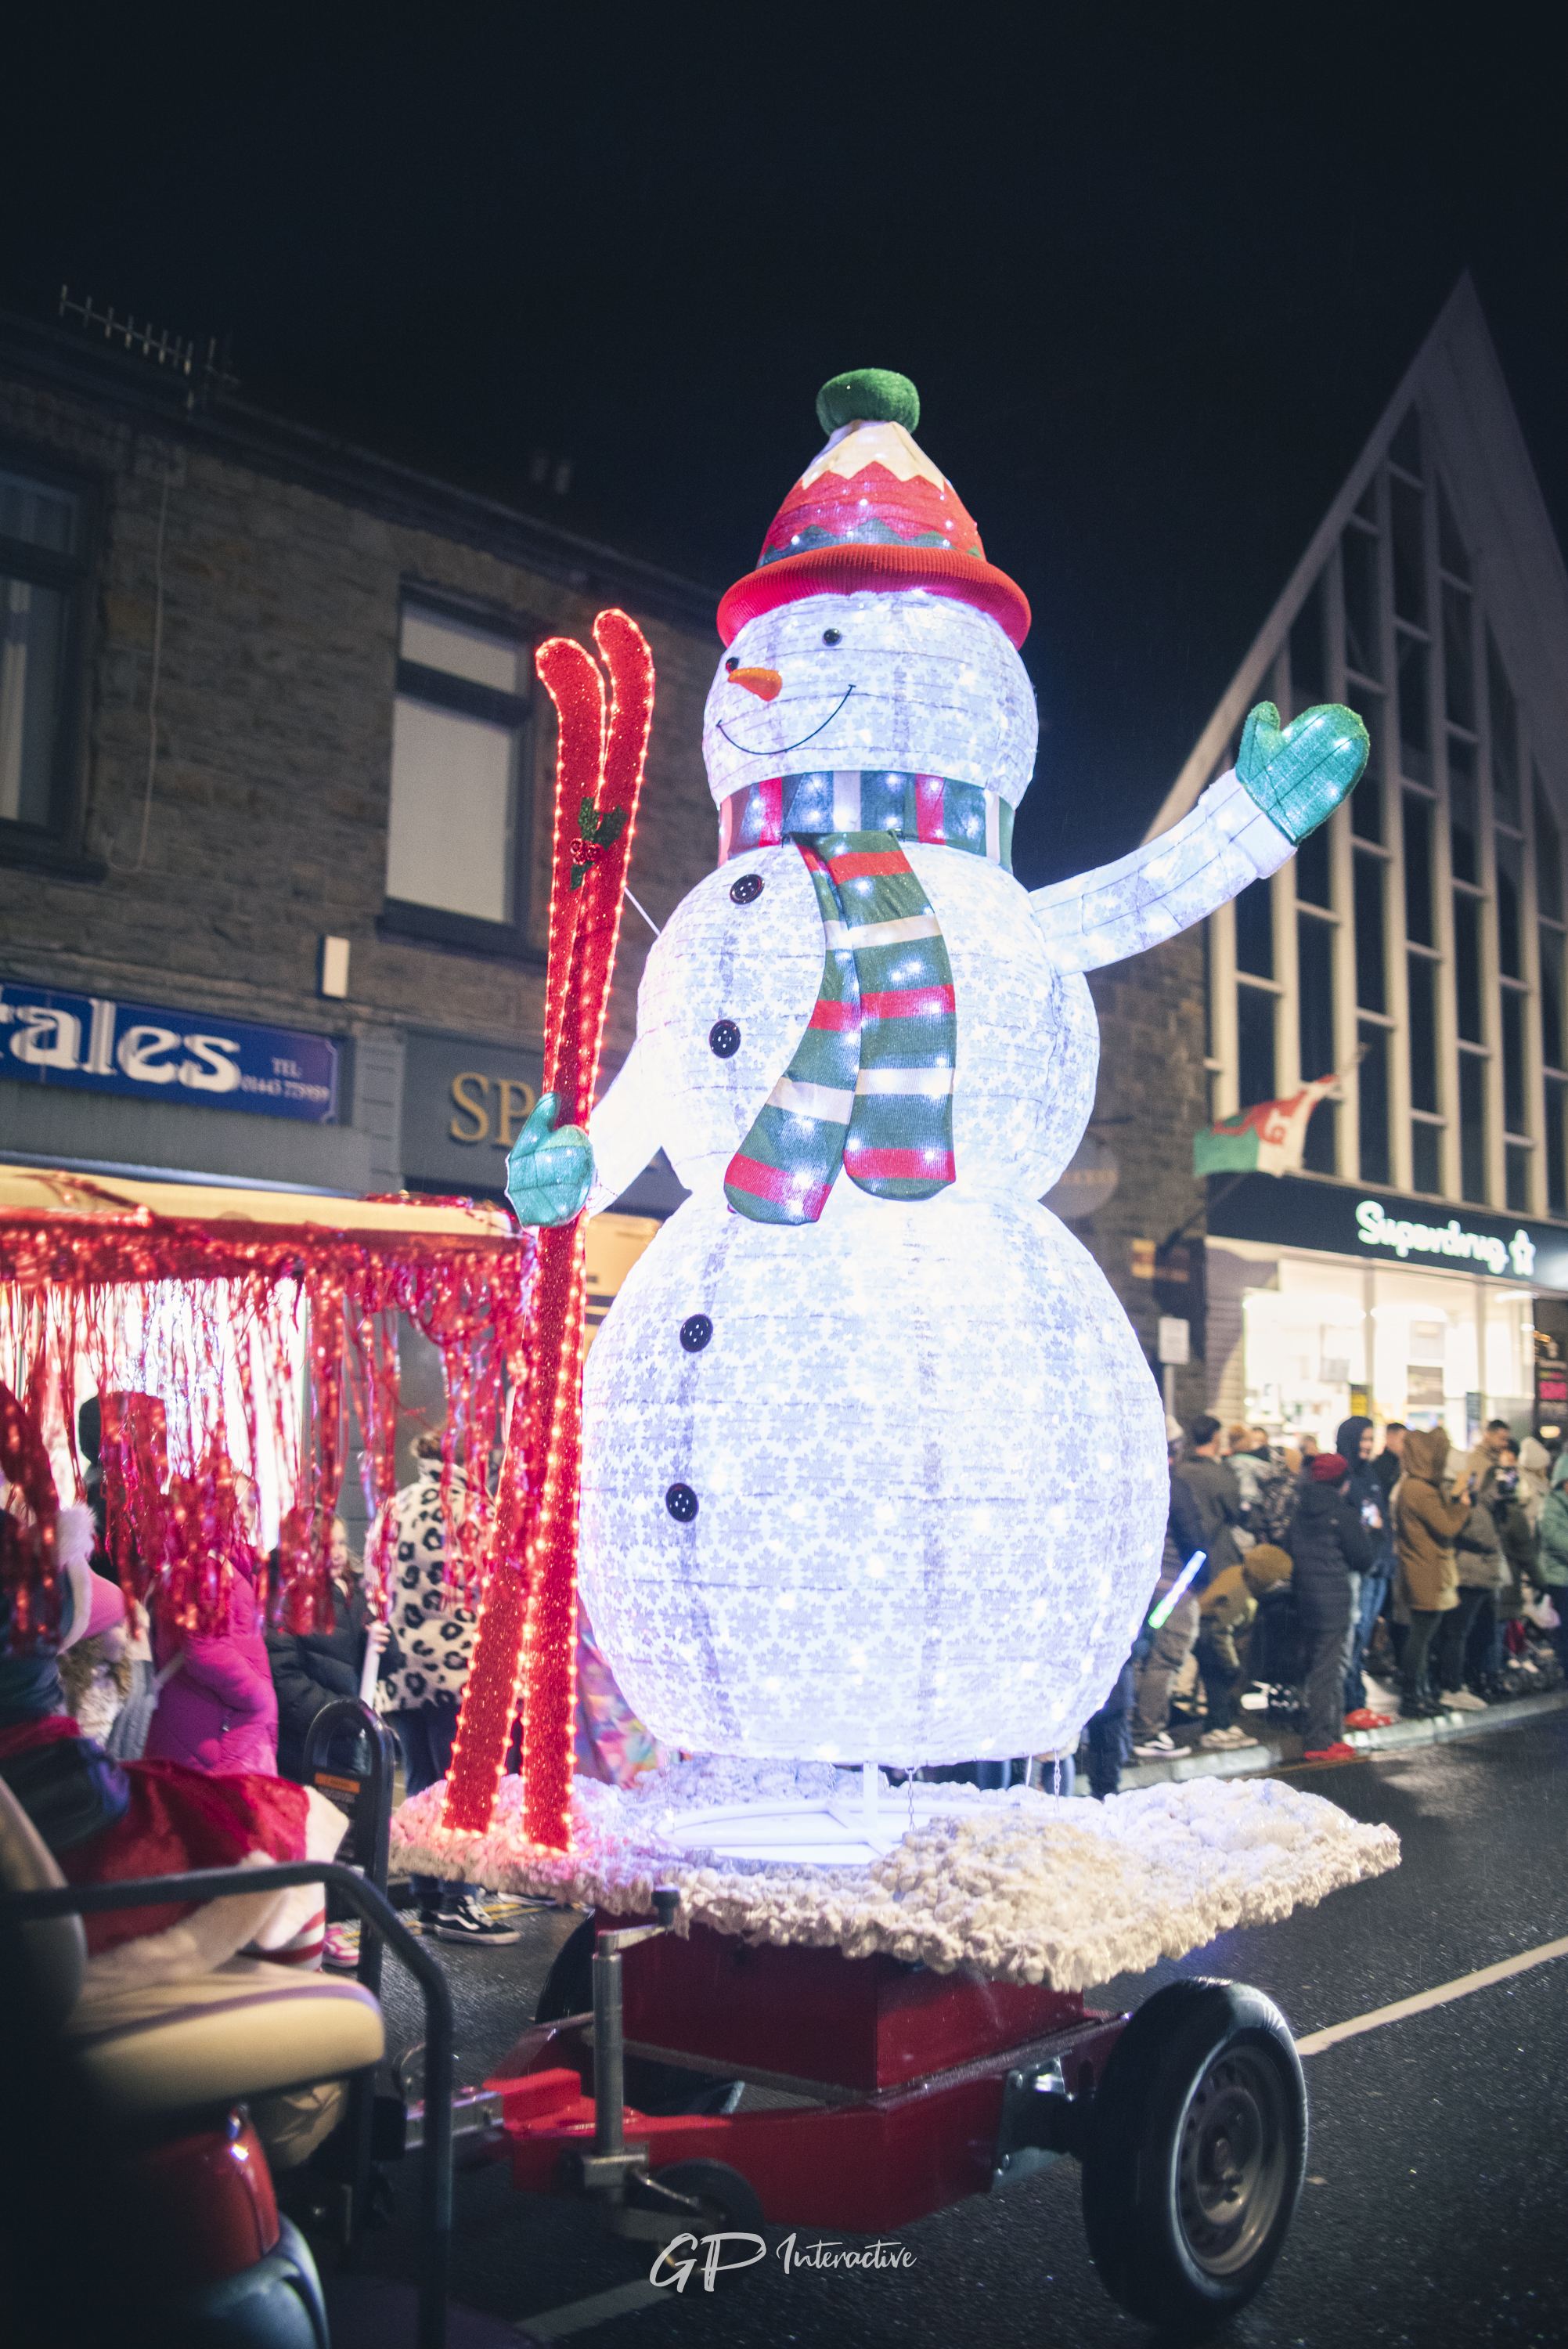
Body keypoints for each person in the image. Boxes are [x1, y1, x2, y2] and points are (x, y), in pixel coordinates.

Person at [378, 1429, 519, 1945]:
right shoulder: (473, 1512)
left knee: (419, 1787)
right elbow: (498, 1586)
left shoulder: (394, 1509)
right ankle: (461, 1901)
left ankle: (430, 1901)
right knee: (465, 1793)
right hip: (459, 1670)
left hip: (404, 1672)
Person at [143, 1490, 278, 1777]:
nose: (243, 1512)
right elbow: (203, 1649)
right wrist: (259, 1699)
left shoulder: (222, 1563)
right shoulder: (204, 1563)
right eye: (232, 1503)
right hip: (214, 1735)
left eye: (251, 1504)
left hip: (214, 1727)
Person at [267, 1517, 402, 1781]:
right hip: (306, 1747)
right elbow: (286, 1680)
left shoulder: (353, 1593)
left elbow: (379, 1666)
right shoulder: (287, 1601)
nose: (339, 1553)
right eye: (328, 1546)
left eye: (341, 1543)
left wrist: (384, 1647)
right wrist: (344, 1717)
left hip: (349, 1744)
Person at [1286, 1451, 1373, 1760]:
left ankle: (1332, 1733)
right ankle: (1319, 1740)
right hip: (1334, 1599)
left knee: (1320, 1666)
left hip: (1306, 1596)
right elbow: (1363, 1558)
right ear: (1342, 1482)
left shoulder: (1300, 1510)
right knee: (1327, 1670)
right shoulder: (1341, 1512)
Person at [1131, 1423, 1206, 1759]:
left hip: (1138, 1587)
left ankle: (1127, 1728)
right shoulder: (1173, 1487)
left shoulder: (1131, 1484)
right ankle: (1147, 1731)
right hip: (1172, 1587)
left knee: (1137, 1658)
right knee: (1166, 1657)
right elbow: (1195, 1541)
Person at [1391, 1427, 1472, 1719]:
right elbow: (1447, 1527)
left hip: (1422, 1568)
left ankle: (1419, 1693)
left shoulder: (1413, 1486)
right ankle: (1413, 1696)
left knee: (1423, 1634)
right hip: (1426, 1570)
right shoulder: (1420, 1489)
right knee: (1422, 1635)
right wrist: (1462, 1507)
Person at [1193, 1543, 1292, 1748]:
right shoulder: (1239, 1595)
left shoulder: (1237, 1573)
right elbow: (1221, 1631)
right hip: (1208, 1634)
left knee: (1218, 1681)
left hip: (1206, 1629)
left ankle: (1223, 1724)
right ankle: (1215, 1729)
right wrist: (1231, 1664)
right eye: (1275, 1581)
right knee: (1219, 1679)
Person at [1337, 1415, 1394, 1729]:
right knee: (1354, 1637)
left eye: (1371, 1439)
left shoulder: (1370, 1473)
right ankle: (1352, 1703)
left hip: (1378, 1565)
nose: (1367, 1445)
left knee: (1364, 1636)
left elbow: (1381, 1517)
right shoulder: (1344, 1475)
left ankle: (1359, 1702)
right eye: (1362, 1439)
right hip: (1358, 1567)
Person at [1433, 1481, 1504, 1711]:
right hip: (1468, 1575)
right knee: (1456, 1632)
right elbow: (1467, 1532)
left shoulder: (1474, 1502)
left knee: (1465, 1631)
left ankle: (1458, 1682)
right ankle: (1451, 1686)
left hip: (1477, 1575)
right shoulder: (1456, 1502)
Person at [1173, 1416, 1244, 1582]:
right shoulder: (1220, 1474)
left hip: (1183, 1554)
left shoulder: (1179, 1472)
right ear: (1216, 1436)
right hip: (1218, 1553)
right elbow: (1235, 1512)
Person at [1532, 1446, 1568, 1682]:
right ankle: (1565, 1664)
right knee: (1566, 1625)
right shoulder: (1552, 1504)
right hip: (1560, 1577)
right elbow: (1553, 1538)